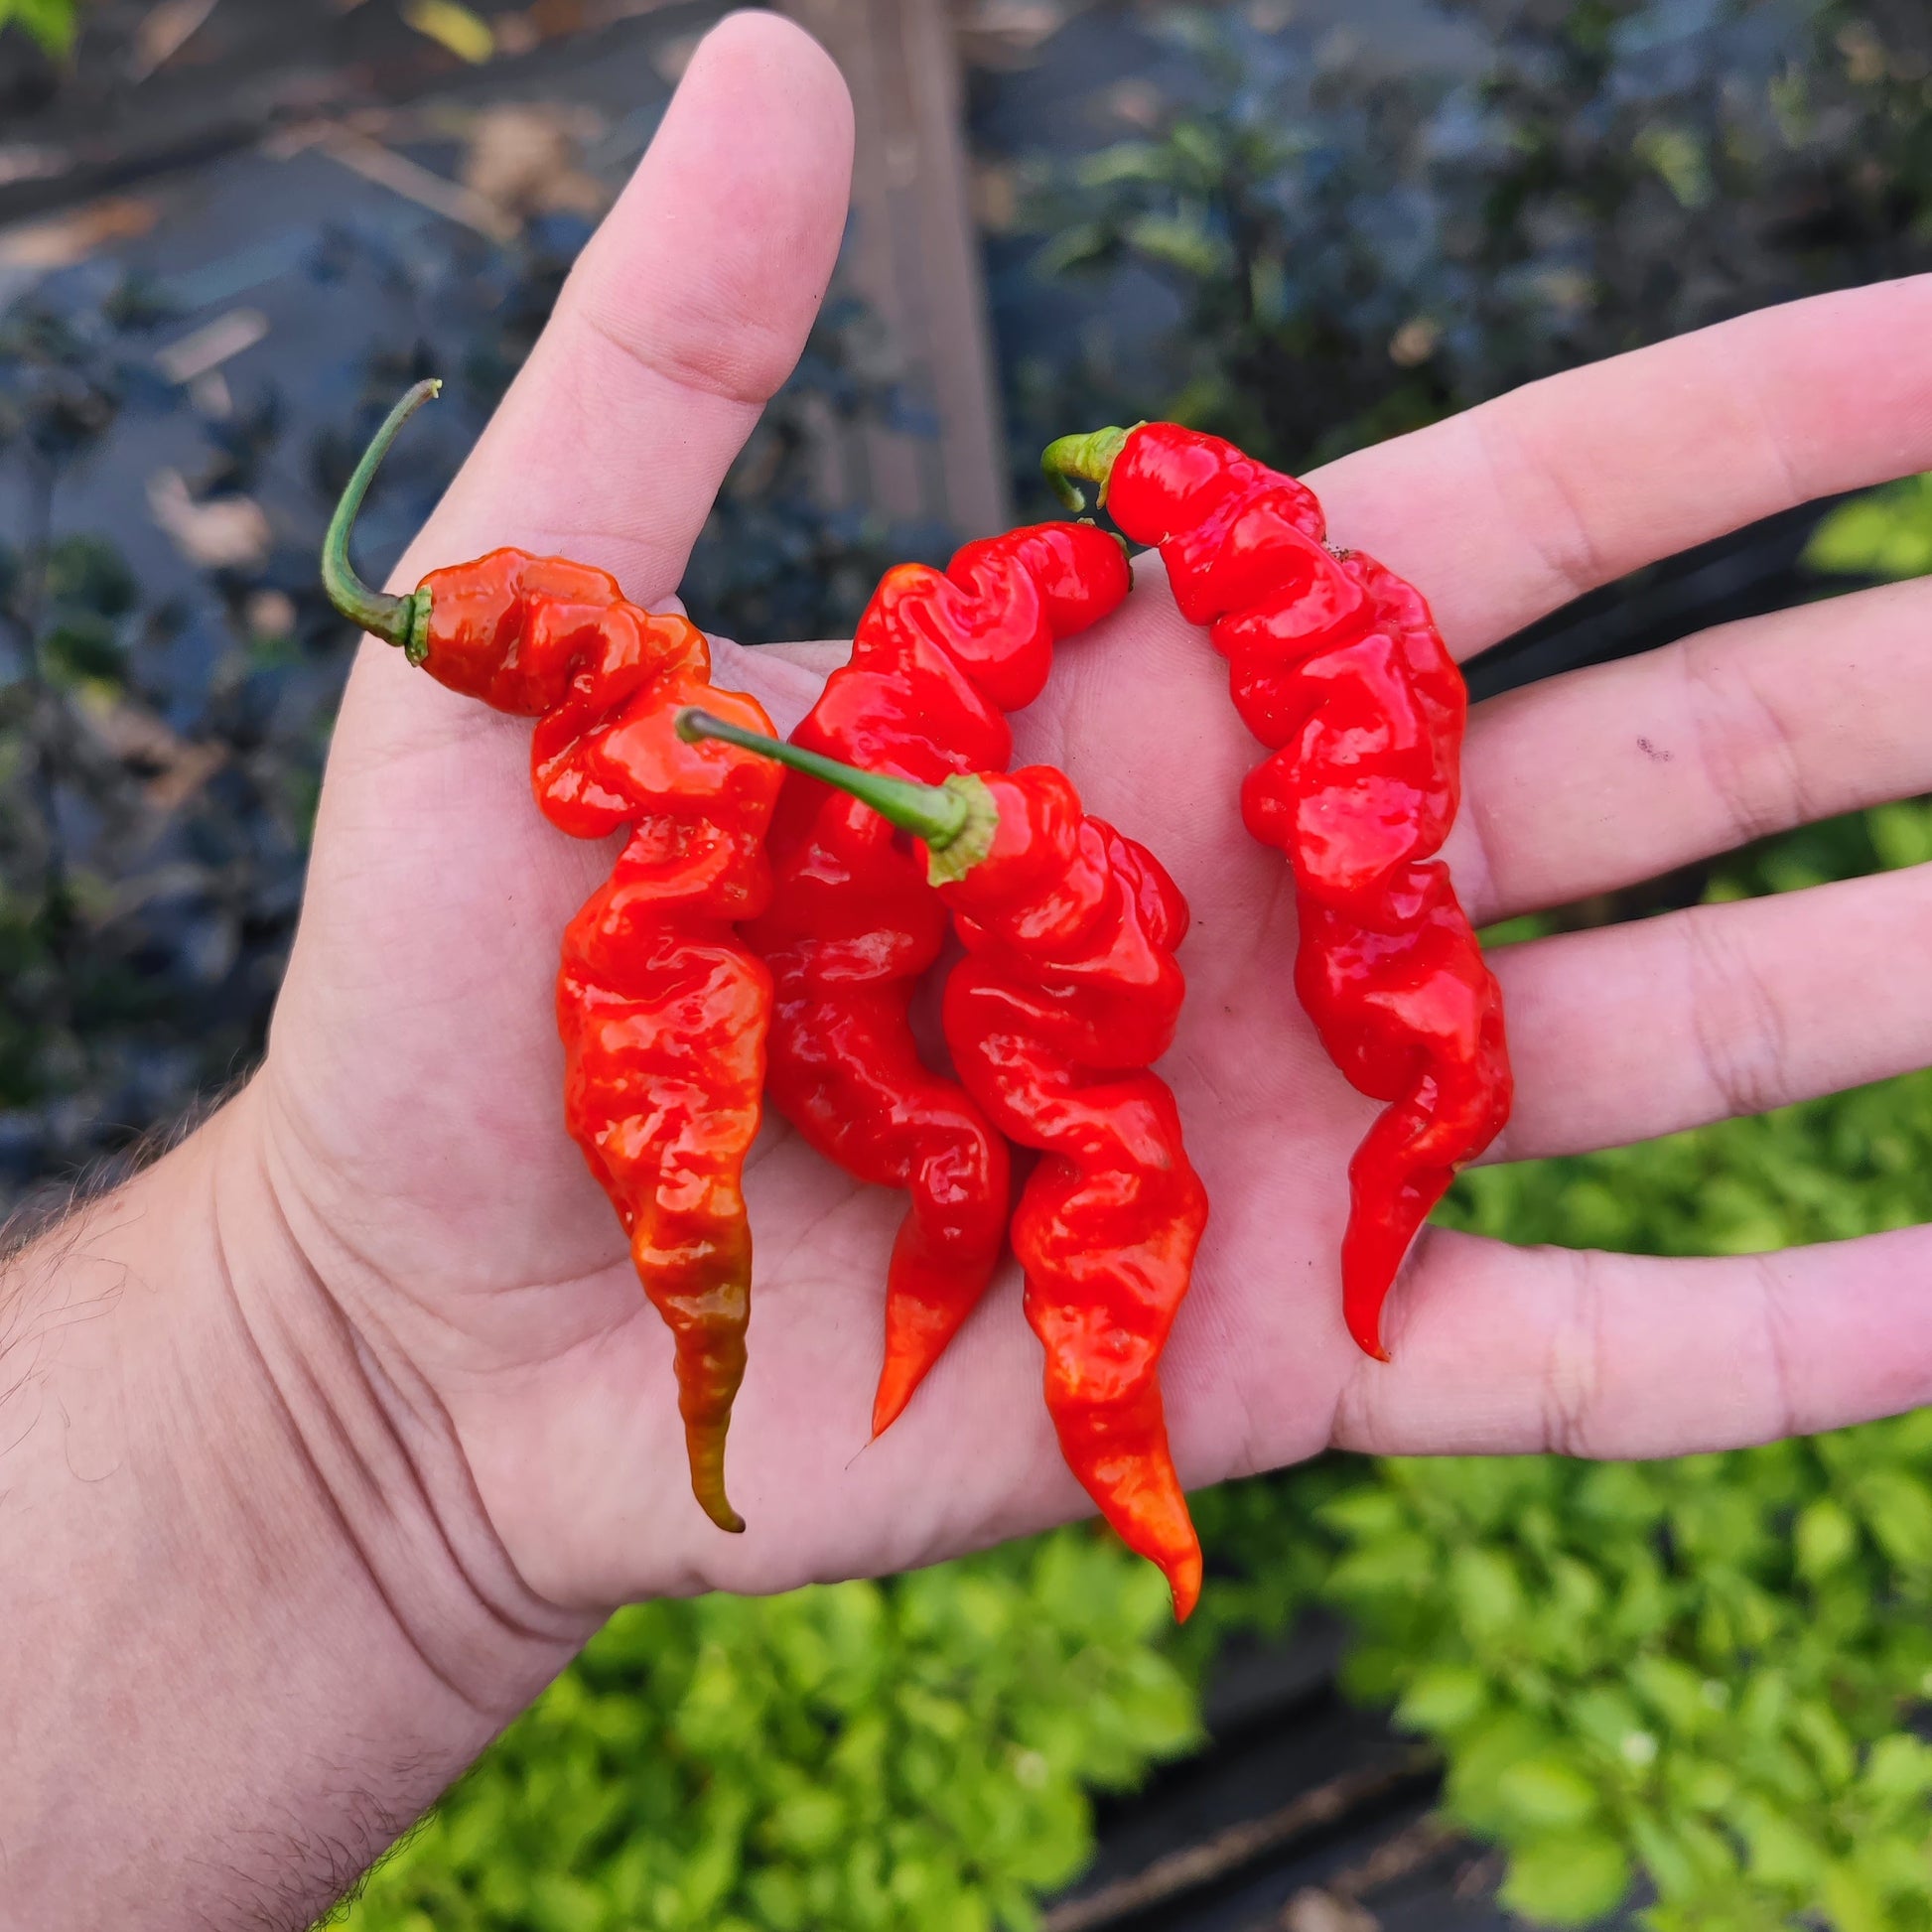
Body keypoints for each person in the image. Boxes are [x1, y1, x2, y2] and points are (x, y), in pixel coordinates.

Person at [8, 11, 1932, 1926]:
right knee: (959, 1112)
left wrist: (336, 1410)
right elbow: (948, 1059)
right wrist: (340, 1382)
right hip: (932, 859)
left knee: (1202, 1054)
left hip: (1010, 830)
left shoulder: (1035, 825)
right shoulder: (745, 846)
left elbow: (1275, 924)